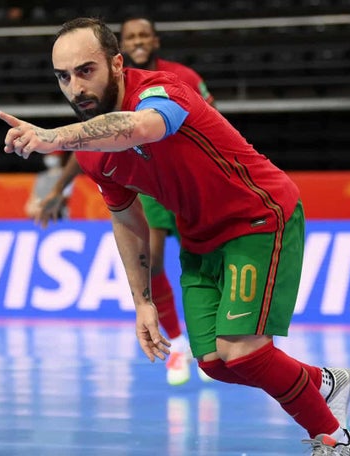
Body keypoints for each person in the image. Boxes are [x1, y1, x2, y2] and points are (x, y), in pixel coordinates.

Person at [0, 18, 350, 455]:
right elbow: (128, 219)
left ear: (116, 63)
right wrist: (142, 301)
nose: (75, 87)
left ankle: (335, 440)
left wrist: (52, 137)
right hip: (199, 237)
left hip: (256, 217)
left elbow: (143, 127)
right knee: (214, 363)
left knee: (242, 352)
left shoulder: (163, 90)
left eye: (85, 70)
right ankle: (327, 383)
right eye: (63, 76)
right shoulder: (95, 156)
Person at [40, 15, 217, 387]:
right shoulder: (100, 90)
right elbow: (88, 142)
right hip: (151, 189)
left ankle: (215, 339)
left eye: (144, 35)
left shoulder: (180, 78)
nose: (138, 40)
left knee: (205, 265)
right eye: (131, 36)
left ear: (155, 40)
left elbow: (211, 122)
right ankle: (178, 344)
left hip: (193, 183)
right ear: (120, 49)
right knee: (151, 264)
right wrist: (59, 189)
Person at [24, 151, 74, 219]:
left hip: (58, 214)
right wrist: (34, 206)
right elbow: (33, 196)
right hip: (39, 211)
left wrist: (46, 206)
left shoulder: (66, 175)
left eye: (54, 156)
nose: (51, 158)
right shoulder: (41, 176)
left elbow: (64, 198)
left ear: (61, 157)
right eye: (49, 155)